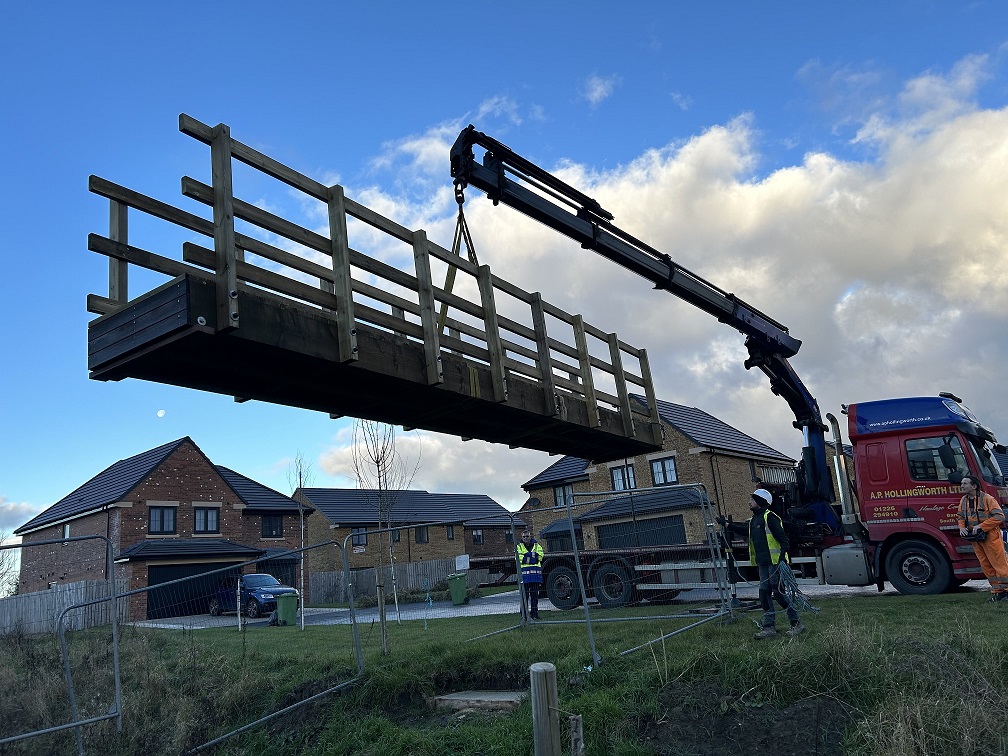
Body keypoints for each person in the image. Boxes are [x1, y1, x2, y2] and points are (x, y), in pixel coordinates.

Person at [719, 488, 804, 639]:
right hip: (763, 563)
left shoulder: (770, 517)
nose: (749, 502)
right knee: (764, 593)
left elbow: (783, 539)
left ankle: (796, 623)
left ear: (760, 501)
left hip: (775, 562)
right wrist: (726, 524)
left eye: (752, 500)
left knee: (778, 592)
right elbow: (745, 530)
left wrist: (782, 559)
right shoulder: (754, 520)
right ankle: (768, 627)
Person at [957, 474, 1008, 601]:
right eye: (962, 483)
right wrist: (962, 527)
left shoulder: (987, 499)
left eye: (965, 483)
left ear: (974, 486)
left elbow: (1000, 516)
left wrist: (981, 526)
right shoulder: (964, 500)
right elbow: (960, 516)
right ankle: (998, 592)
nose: (961, 486)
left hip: (991, 537)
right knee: (986, 565)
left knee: (999, 564)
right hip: (976, 539)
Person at [516, 529, 544, 620]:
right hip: (524, 577)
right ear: (521, 537)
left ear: (530, 536)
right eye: (524, 537)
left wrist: (527, 556)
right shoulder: (518, 547)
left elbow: (540, 556)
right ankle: (524, 616)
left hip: (535, 576)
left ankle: (534, 614)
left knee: (535, 597)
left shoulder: (537, 545)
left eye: (527, 536)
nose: (525, 538)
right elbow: (519, 559)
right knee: (525, 597)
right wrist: (533, 557)